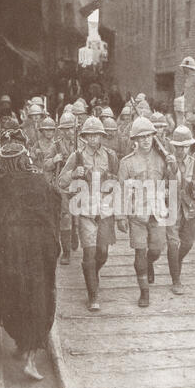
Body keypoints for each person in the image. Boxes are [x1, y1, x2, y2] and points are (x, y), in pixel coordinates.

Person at [0, 142, 61, 380]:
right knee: (38, 298)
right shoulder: (40, 181)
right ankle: (30, 357)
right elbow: (56, 205)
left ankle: (21, 344)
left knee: (14, 296)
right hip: (38, 249)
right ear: (25, 159)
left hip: (11, 250)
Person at [59, 117, 119, 311]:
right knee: (89, 254)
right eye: (90, 135)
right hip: (85, 211)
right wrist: (74, 173)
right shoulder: (76, 156)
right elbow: (61, 182)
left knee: (102, 253)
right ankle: (93, 295)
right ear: (84, 137)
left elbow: (119, 181)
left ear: (102, 136)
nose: (93, 138)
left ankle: (93, 274)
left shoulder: (110, 156)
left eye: (97, 135)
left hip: (105, 210)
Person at [117, 117, 172, 308]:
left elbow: (173, 182)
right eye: (141, 137)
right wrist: (121, 216)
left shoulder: (163, 158)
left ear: (153, 137)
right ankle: (144, 292)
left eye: (149, 136)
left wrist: (173, 166)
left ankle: (150, 263)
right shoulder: (127, 163)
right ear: (135, 140)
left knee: (156, 250)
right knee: (140, 252)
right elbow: (121, 190)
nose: (146, 140)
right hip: (137, 214)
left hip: (157, 212)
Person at [168, 126, 195, 294]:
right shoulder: (168, 161)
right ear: (173, 146)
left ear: (189, 147)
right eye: (178, 146)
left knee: (187, 243)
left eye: (185, 146)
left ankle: (175, 262)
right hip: (170, 209)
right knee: (173, 243)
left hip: (190, 209)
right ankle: (176, 280)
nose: (181, 150)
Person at [44, 112, 78, 262]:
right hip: (62, 185)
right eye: (65, 129)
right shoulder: (56, 145)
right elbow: (45, 164)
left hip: (79, 183)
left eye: (71, 128)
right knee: (65, 216)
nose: (68, 132)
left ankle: (74, 233)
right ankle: (66, 252)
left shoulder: (81, 144)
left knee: (78, 215)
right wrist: (54, 160)